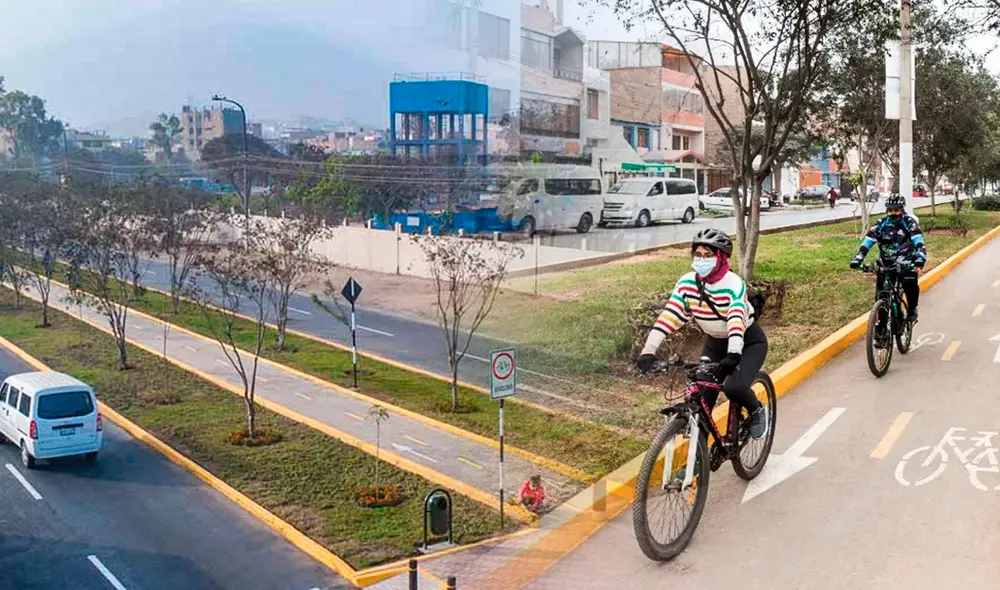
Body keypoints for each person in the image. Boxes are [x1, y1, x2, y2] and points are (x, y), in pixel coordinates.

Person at [636, 228, 769, 439]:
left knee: (734, 387)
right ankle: (696, 464)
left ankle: (757, 410)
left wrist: (734, 354)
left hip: (747, 342)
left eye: (708, 255)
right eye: (697, 254)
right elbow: (669, 316)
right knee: (702, 402)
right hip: (714, 344)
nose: (701, 260)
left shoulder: (733, 284)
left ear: (721, 258)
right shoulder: (687, 283)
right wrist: (648, 350)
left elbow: (736, 319)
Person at [850, 194, 926, 322]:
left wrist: (920, 258)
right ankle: (880, 330)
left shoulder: (909, 223)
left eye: (896, 210)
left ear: (902, 210)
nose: (893, 213)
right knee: (881, 296)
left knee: (909, 284)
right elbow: (868, 241)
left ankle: (912, 309)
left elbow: (918, 241)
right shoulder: (881, 223)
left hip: (906, 263)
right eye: (890, 210)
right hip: (886, 263)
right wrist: (858, 258)